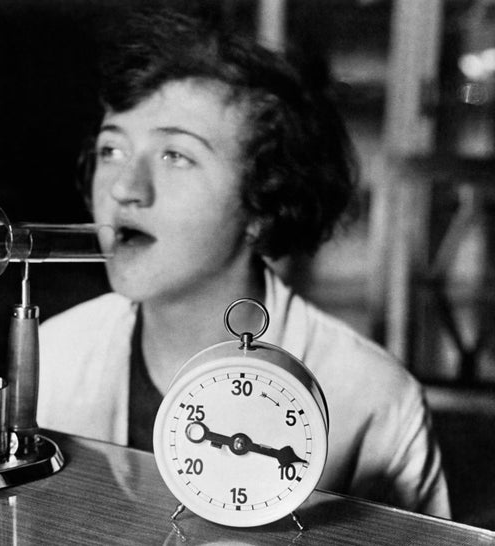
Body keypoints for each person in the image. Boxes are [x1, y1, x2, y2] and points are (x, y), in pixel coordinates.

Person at [37, 8, 450, 518]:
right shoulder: (50, 357)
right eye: (111, 150)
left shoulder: (374, 400)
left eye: (175, 156)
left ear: (262, 204)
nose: (124, 189)